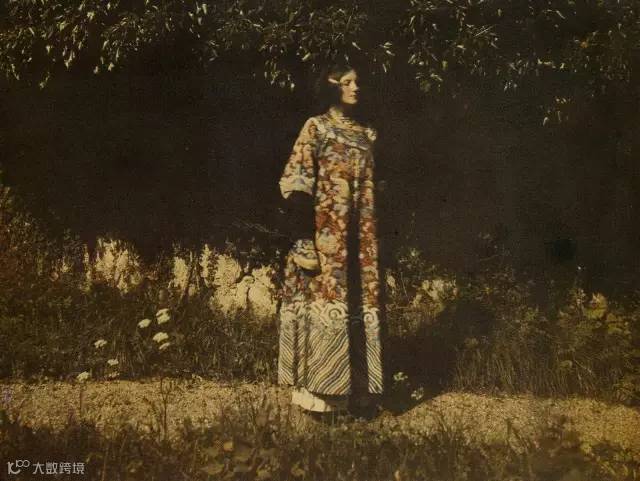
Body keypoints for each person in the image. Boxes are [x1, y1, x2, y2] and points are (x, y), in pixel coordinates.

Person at [277, 63, 383, 419]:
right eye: (347, 82)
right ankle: (321, 400)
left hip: (360, 242)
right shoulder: (316, 127)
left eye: (358, 81)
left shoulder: (368, 134)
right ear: (331, 85)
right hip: (325, 239)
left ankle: (357, 397)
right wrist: (303, 240)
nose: (355, 88)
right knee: (324, 307)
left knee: (357, 307)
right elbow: (298, 183)